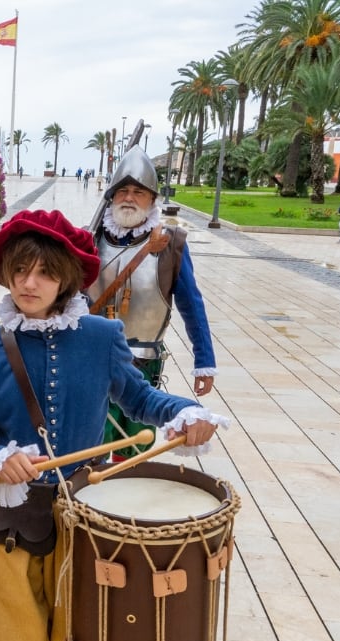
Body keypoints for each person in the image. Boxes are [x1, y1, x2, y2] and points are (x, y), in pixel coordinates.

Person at [0, 209, 226, 641]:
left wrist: (185, 412)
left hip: (87, 525)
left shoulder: (102, 338)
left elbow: (143, 398)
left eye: (44, 273)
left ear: (66, 280)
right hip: (8, 526)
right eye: (20, 270)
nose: (29, 283)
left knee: (71, 638)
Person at [85, 146, 217, 458]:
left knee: (135, 441)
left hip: (143, 360)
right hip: (93, 357)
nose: (129, 198)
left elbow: (192, 306)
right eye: (123, 191)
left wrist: (203, 360)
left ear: (152, 199)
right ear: (112, 196)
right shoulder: (89, 239)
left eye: (139, 192)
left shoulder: (170, 245)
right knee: (93, 438)